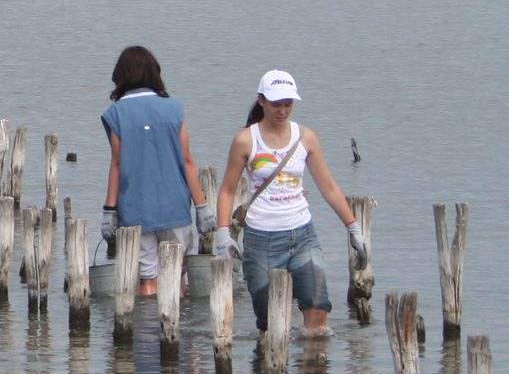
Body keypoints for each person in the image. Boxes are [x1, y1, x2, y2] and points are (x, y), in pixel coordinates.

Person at [214, 70, 368, 338]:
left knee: (317, 312)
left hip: (302, 234)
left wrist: (353, 227)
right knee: (270, 325)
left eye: (288, 104)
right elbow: (227, 190)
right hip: (261, 239)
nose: (282, 111)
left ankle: (311, 364)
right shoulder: (246, 140)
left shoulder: (306, 137)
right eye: (276, 104)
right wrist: (223, 233)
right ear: (261, 100)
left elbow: (329, 186)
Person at [100, 46, 204, 298]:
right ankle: (175, 321)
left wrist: (109, 211)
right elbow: (187, 160)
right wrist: (202, 207)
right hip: (175, 208)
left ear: (120, 76)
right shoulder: (174, 108)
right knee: (177, 277)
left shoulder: (115, 113)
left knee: (148, 279)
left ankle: (147, 321)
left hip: (135, 209)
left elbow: (117, 164)